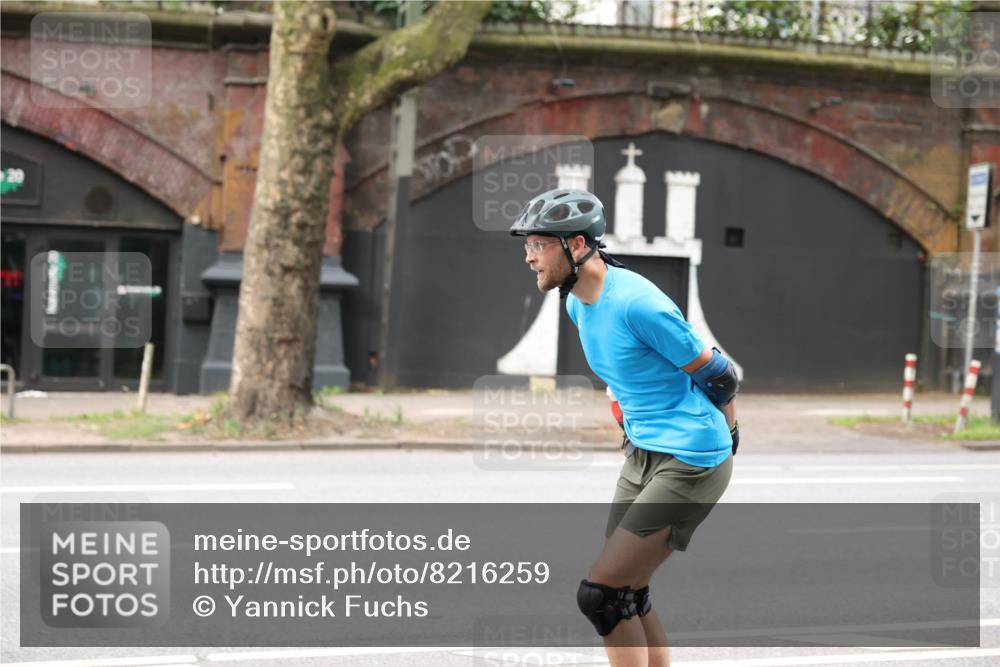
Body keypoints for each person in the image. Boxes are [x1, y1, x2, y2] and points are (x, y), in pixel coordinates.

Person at [510, 188, 739, 667]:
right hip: (643, 454)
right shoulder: (576, 302)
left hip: (690, 459)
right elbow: (627, 374)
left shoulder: (638, 303)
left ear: (575, 246)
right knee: (627, 592)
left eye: (538, 244)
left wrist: (728, 438)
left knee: (600, 595)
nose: (529, 257)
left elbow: (718, 374)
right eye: (527, 246)